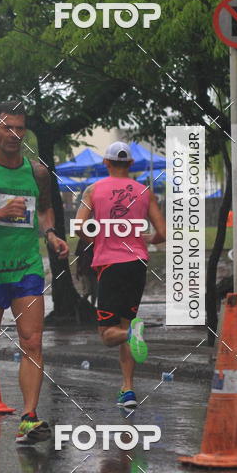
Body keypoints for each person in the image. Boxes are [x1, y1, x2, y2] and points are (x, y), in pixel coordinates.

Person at [0, 101, 69, 445]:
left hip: (26, 268)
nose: (15, 135)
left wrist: (50, 234)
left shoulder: (37, 172)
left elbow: (46, 209)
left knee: (32, 342)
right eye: (8, 128)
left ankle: (29, 418)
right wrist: (0, 212)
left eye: (21, 128)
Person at [73, 141, 166, 409]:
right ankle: (128, 390)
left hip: (109, 265)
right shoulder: (145, 192)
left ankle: (131, 336)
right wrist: (146, 237)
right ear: (131, 164)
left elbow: (79, 227)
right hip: (136, 263)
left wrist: (96, 237)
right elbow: (162, 233)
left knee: (107, 334)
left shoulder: (93, 189)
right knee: (126, 323)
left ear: (106, 163)